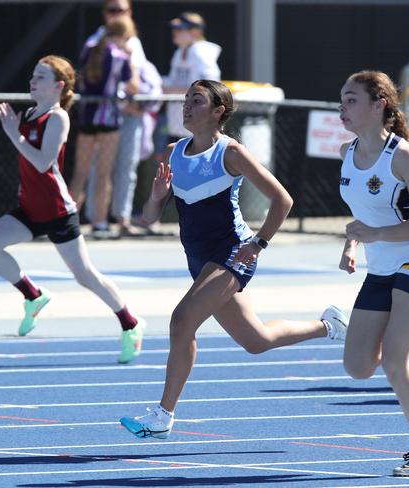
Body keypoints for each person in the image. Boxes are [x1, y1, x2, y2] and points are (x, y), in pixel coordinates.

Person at [119, 80, 347, 439]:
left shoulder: (231, 153)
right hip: (198, 259)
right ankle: (330, 325)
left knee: (181, 322)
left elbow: (282, 200)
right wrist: (156, 196)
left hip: (232, 252)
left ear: (218, 111)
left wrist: (259, 243)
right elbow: (148, 218)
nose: (187, 107)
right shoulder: (172, 153)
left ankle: (163, 415)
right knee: (255, 341)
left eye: (196, 101)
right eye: (186, 101)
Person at [0, 55, 145, 363]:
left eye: (41, 77)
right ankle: (33, 296)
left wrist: (13, 134)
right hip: (30, 209)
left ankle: (130, 323)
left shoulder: (58, 118)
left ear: (59, 86)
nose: (33, 81)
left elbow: (43, 162)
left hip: (58, 211)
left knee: (85, 276)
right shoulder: (30, 113)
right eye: (33, 75)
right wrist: (17, 135)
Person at [335, 70, 409, 477]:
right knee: (359, 366)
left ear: (379, 105)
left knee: (395, 362)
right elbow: (361, 214)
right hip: (380, 267)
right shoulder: (347, 152)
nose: (342, 107)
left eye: (351, 100)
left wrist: (377, 234)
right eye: (342, 99)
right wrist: (353, 243)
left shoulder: (401, 156)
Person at [83, 0, 157, 237]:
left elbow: (136, 82)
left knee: (127, 166)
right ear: (104, 13)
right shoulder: (95, 42)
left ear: (130, 13)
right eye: (112, 10)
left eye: (121, 11)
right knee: (98, 168)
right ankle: (97, 219)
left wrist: (136, 105)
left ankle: (122, 218)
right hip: (103, 117)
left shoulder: (134, 42)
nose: (117, 15)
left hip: (129, 115)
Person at [68, 15, 138, 239]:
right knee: (103, 173)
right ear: (124, 36)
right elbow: (132, 85)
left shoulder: (90, 48)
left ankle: (67, 219)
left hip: (88, 117)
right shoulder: (119, 56)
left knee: (80, 172)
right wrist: (130, 59)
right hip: (108, 119)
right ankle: (99, 221)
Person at [162, 11, 222, 143]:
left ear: (194, 32)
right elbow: (172, 82)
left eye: (180, 29)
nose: (175, 32)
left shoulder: (201, 52)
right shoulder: (179, 52)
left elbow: (210, 88)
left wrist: (174, 91)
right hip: (178, 126)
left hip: (198, 127)